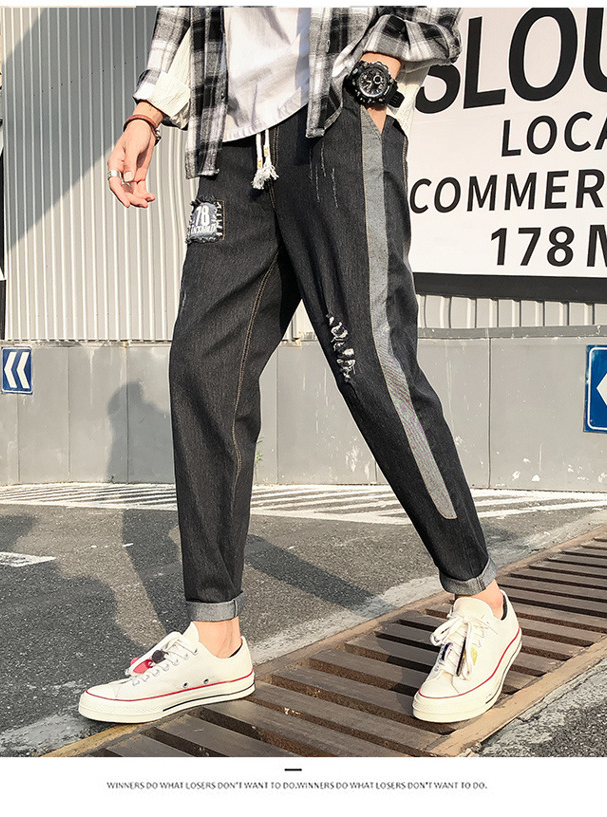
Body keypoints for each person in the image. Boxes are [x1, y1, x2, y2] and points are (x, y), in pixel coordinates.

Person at [79, 6, 522, 728]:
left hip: (334, 116)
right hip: (230, 144)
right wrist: (147, 113)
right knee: (203, 368)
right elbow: (185, 16)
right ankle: (216, 641)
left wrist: (379, 70)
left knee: (368, 362)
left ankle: (483, 602)